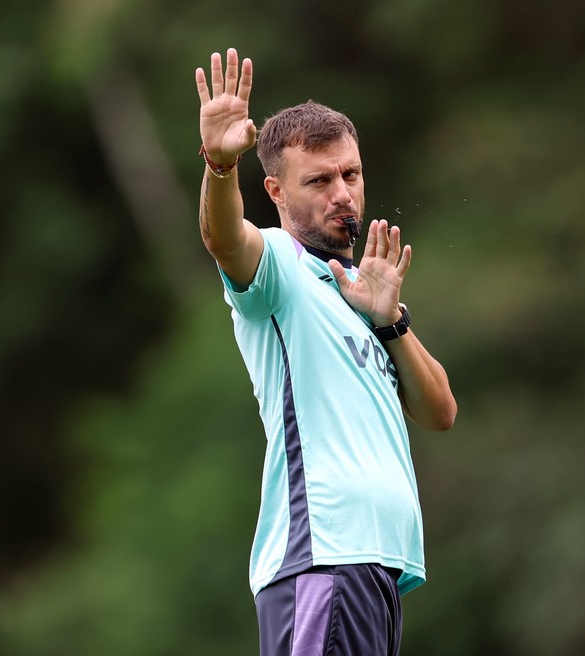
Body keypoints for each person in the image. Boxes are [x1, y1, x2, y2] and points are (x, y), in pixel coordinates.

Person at [194, 48, 457, 656]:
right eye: (319, 180)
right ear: (276, 191)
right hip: (324, 557)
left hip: (378, 565)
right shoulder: (278, 267)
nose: (342, 193)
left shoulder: (356, 293)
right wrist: (218, 165)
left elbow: (440, 410)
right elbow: (222, 239)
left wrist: (391, 323)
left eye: (351, 175)